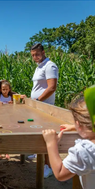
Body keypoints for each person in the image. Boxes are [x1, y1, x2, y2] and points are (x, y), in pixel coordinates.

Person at [42, 95, 95, 189]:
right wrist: (81, 128)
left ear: (80, 125)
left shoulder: (86, 151)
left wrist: (51, 144)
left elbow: (60, 173)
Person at [28, 43, 59, 179]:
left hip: (45, 106)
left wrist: (39, 100)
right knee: (39, 133)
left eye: (37, 54)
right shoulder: (39, 67)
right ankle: (37, 153)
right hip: (38, 106)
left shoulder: (50, 66)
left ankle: (48, 167)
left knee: (47, 137)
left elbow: (52, 87)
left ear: (43, 52)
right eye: (33, 55)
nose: (35, 57)